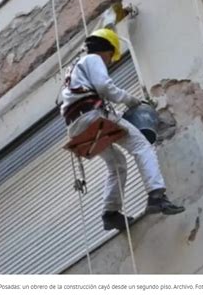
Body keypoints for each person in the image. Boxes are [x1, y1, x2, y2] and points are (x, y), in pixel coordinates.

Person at [61, 28, 185, 231]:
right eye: (110, 56)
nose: (109, 61)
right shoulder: (93, 60)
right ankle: (156, 196)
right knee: (141, 146)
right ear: (106, 49)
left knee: (117, 163)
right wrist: (132, 101)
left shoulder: (75, 69)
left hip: (77, 125)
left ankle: (110, 213)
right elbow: (104, 87)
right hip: (92, 115)